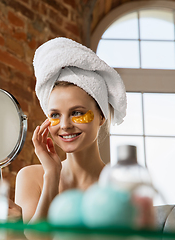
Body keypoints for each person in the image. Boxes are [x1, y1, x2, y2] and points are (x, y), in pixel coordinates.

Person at [14, 37, 128, 223]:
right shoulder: (30, 177)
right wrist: (52, 175)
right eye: (55, 115)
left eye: (77, 112)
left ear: (101, 116)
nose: (65, 125)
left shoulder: (119, 185)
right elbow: (35, 238)